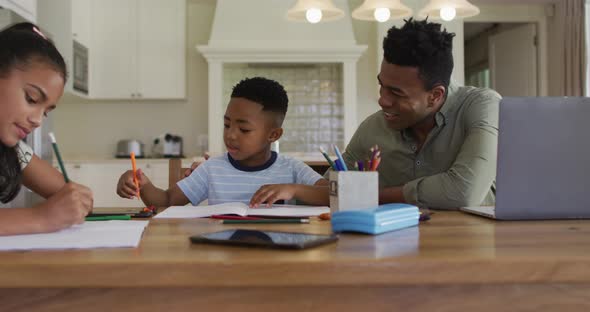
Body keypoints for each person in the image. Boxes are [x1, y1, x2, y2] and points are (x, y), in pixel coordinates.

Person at [341, 18, 501, 209]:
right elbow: (332, 186)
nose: (382, 100)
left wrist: (372, 195)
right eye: (381, 86)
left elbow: (463, 192)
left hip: (474, 236)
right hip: (397, 237)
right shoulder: (372, 128)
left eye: (396, 93)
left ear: (435, 95)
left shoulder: (483, 105)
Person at [116, 77, 329, 207]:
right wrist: (142, 185)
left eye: (244, 129)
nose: (231, 135)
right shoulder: (212, 169)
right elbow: (166, 201)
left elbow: (332, 195)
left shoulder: (291, 169)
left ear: (273, 135)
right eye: (227, 125)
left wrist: (293, 190)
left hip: (280, 255)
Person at [0, 23, 93, 235]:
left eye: (46, 112)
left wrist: (77, 201)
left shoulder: (11, 151)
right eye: (31, 99)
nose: (37, 121)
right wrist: (40, 218)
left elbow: (68, 194)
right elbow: (47, 216)